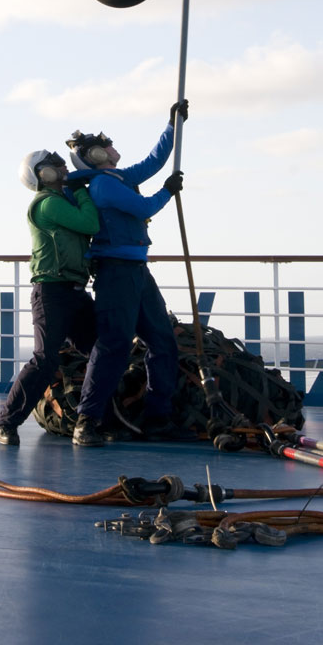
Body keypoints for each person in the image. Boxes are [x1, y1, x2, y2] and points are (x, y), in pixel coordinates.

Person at [65, 102, 188, 447]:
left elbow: (154, 161)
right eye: (106, 144)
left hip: (136, 270)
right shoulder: (104, 186)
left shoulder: (118, 178)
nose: (112, 146)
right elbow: (144, 207)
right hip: (116, 273)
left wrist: (172, 126)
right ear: (95, 154)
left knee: (162, 341)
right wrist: (168, 191)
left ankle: (157, 418)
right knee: (114, 344)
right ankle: (87, 420)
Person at [0, 149, 99, 446]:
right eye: (55, 165)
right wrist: (81, 190)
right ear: (43, 174)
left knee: (102, 352)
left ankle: (92, 419)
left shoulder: (63, 200)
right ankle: (6, 422)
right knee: (44, 359)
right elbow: (91, 224)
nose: (63, 166)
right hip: (51, 290)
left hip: (76, 290)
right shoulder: (48, 203)